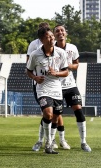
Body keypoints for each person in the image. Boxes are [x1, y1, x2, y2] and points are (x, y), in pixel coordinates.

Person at [27, 23, 70, 151]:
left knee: (56, 117)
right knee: (48, 114)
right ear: (41, 40)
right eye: (48, 37)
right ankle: (47, 143)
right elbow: (28, 71)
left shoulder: (61, 53)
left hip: (56, 88)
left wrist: (56, 73)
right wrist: (35, 78)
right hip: (42, 88)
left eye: (52, 36)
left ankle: (50, 142)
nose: (52, 39)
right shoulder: (35, 54)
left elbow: (66, 71)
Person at [53, 25, 91, 152]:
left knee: (79, 110)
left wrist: (67, 65)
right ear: (54, 35)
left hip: (70, 85)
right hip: (55, 85)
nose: (60, 33)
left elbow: (76, 65)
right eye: (57, 31)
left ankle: (83, 142)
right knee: (56, 114)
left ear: (66, 33)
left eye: (62, 30)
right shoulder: (51, 47)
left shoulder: (72, 48)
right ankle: (57, 140)